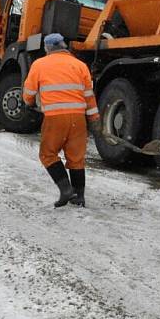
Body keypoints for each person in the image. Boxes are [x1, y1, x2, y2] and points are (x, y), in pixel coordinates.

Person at [23, 33, 100, 208]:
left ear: (48, 48)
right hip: (78, 119)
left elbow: (29, 92)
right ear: (63, 46)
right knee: (76, 157)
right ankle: (79, 196)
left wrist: (28, 102)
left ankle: (65, 189)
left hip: (55, 118)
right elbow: (89, 95)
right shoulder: (80, 65)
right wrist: (94, 118)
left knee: (48, 154)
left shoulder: (39, 64)